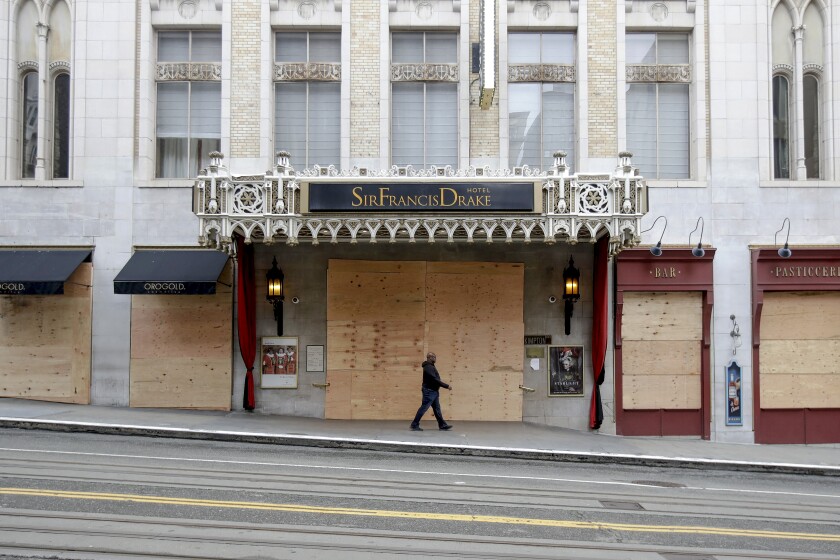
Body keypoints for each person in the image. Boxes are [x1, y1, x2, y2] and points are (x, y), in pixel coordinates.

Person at [410, 352, 453, 431]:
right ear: (429, 357)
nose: (435, 358)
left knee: (437, 409)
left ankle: (442, 425)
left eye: (435, 357)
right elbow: (434, 379)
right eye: (433, 357)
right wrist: (446, 386)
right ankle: (414, 424)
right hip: (429, 391)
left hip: (434, 391)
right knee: (424, 408)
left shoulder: (431, 366)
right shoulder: (428, 367)